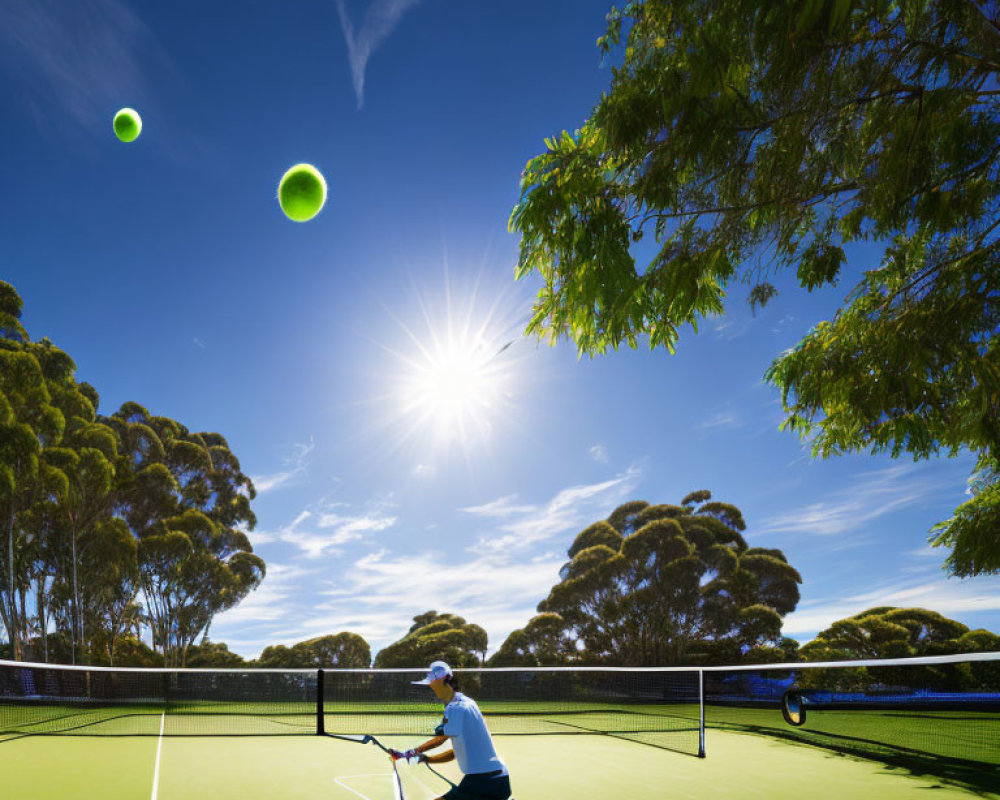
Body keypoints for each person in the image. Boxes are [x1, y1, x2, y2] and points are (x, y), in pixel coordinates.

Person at [390, 661, 512, 800]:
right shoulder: (469, 702)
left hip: (482, 781)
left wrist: (411, 752)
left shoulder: (455, 708)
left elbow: (440, 739)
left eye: (433, 684)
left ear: (445, 680)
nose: (432, 688)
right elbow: (456, 752)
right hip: (499, 779)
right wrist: (428, 759)